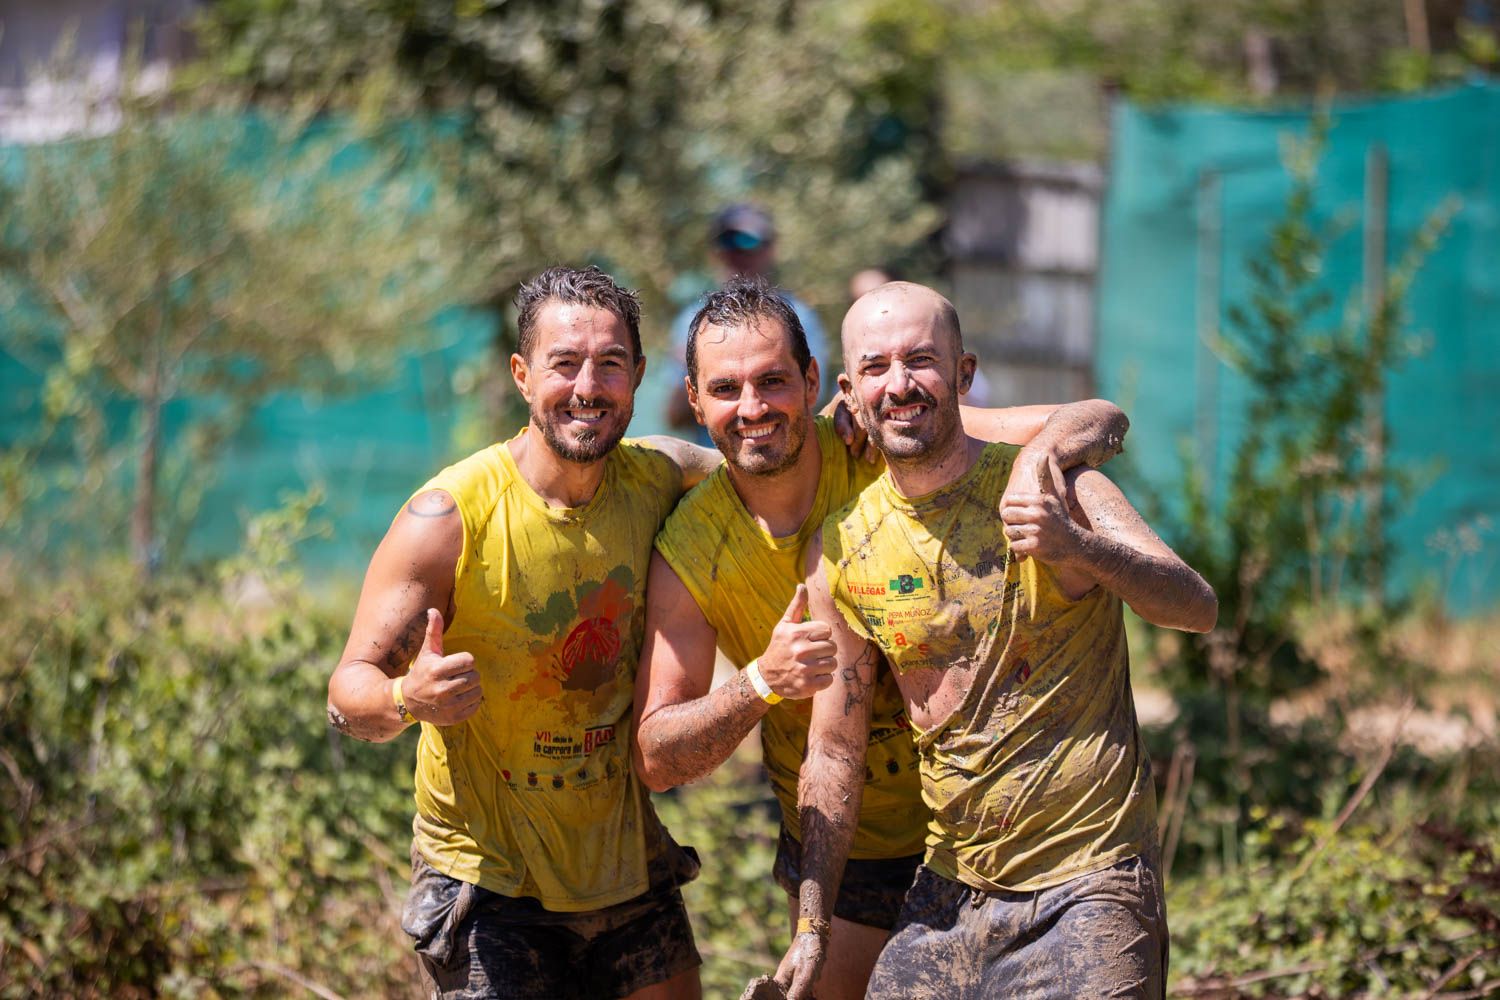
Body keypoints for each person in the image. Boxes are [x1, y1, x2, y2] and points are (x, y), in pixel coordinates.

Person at [631, 275, 1133, 999]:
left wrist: (1033, 466)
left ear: (812, 384)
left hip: (980, 836)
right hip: (848, 855)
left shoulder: (887, 437)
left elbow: (1094, 418)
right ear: (695, 396)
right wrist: (760, 682)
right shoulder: (690, 546)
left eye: (773, 381)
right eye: (727, 388)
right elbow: (657, 757)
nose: (752, 407)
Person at [772, 282, 1218, 999]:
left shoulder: (1059, 490)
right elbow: (833, 750)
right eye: (877, 367)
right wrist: (812, 924)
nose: (901, 384)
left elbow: (1196, 605)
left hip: (1089, 883)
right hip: (952, 894)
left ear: (964, 373)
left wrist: (1080, 548)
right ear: (850, 394)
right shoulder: (844, 548)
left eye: (921, 360)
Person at [326, 266, 723, 1000]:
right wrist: (409, 698)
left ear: (638, 375)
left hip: (625, 869)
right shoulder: (448, 518)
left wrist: (859, 419)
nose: (587, 387)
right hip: (488, 887)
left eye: (609, 365)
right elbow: (348, 692)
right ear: (520, 373)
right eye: (563, 364)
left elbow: (772, 456)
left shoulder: (661, 477)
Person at [662, 204, 832, 439]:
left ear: (771, 249)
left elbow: (814, 401)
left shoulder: (800, 317)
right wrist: (687, 371)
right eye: (727, 243)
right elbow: (674, 417)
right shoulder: (690, 322)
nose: (736, 254)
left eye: (748, 242)